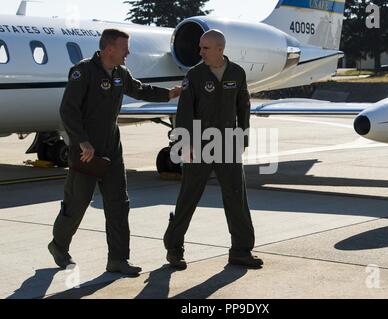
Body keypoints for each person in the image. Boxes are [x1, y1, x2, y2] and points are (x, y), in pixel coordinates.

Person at [48, 29, 181, 277]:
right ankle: (58, 245)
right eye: (124, 48)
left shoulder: (120, 73)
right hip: (87, 151)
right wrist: (82, 142)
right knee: (78, 202)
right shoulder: (83, 71)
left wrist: (168, 94)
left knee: (119, 203)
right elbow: (68, 110)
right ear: (109, 49)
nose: (128, 52)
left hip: (112, 146)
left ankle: (118, 259)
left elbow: (138, 89)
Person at [163, 29, 263, 270]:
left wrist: (243, 139)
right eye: (200, 47)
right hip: (199, 145)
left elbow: (244, 108)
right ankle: (174, 248)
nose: (200, 52)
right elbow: (184, 112)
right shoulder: (194, 75)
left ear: (220, 49)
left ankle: (241, 250)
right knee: (188, 197)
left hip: (228, 143)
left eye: (205, 48)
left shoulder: (237, 73)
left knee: (236, 198)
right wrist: (185, 145)